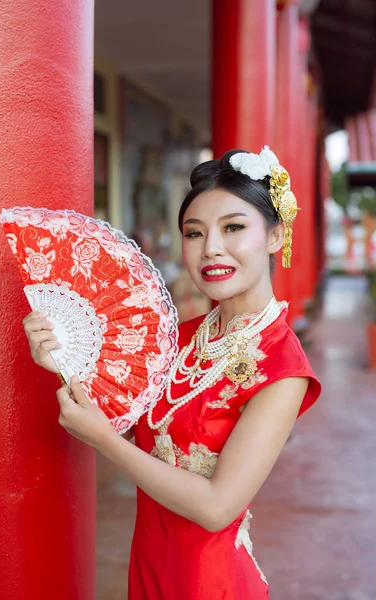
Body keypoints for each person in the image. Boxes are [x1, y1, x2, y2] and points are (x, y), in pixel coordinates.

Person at [22, 146, 321, 599]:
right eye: (194, 233)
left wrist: (102, 439)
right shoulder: (176, 336)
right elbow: (122, 424)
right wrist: (62, 360)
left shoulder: (284, 368)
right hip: (149, 566)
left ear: (276, 236)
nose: (211, 249)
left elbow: (218, 507)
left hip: (212, 582)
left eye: (234, 227)